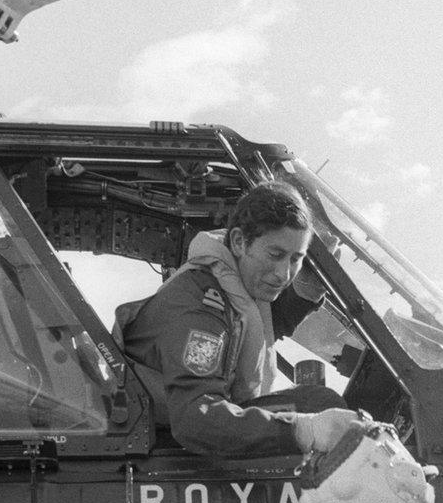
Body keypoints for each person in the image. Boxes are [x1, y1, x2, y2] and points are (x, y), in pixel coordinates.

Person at [114, 181, 358, 457]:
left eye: (295, 259)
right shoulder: (201, 305)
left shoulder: (236, 285)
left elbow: (255, 332)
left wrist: (307, 289)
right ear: (240, 242)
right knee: (314, 409)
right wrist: (306, 430)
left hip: (193, 419)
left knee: (317, 401)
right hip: (170, 436)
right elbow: (196, 418)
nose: (283, 274)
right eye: (276, 255)